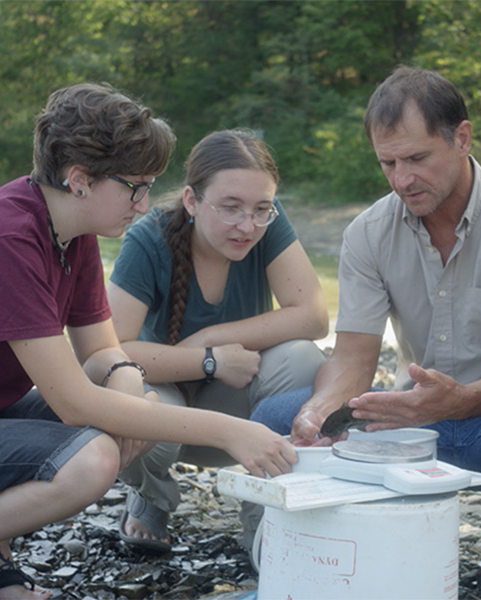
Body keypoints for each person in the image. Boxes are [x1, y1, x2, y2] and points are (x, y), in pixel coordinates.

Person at [0, 84, 299, 600]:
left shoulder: (71, 231)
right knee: (92, 460)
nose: (146, 203)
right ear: (79, 179)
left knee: (134, 409)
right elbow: (73, 402)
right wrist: (229, 431)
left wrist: (128, 387)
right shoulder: (4, 240)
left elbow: (105, 354)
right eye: (135, 186)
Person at [251, 66, 481, 598]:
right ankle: (302, 537)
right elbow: (354, 355)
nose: (402, 179)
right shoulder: (369, 232)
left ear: (462, 138)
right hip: (412, 418)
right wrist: (322, 408)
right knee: (275, 417)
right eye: (388, 163)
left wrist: (458, 400)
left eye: (417, 159)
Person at [107, 128, 329, 552]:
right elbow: (110, 351)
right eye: (230, 208)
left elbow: (314, 316)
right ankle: (151, 497)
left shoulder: (268, 224)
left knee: (304, 358)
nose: (247, 226)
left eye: (260, 208)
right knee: (123, 399)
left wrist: (212, 337)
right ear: (191, 200)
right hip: (167, 413)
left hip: (241, 407)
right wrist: (207, 360)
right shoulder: (147, 240)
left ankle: (265, 510)